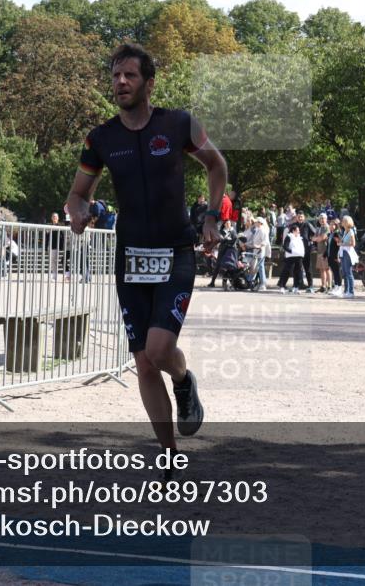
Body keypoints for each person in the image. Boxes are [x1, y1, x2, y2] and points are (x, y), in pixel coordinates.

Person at [67, 42, 225, 455]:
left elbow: (217, 165)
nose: (120, 82)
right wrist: (78, 213)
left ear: (149, 84)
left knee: (158, 350)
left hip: (176, 252)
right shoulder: (100, 138)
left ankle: (184, 379)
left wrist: (211, 216)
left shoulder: (178, 125)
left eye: (130, 75)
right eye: (116, 75)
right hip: (130, 258)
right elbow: (78, 194)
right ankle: (170, 454)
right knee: (142, 362)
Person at [277, 222, 306, 293]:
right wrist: (292, 251)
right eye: (297, 230)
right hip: (290, 257)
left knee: (298, 272)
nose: (299, 231)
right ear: (293, 231)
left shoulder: (299, 238)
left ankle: (296, 287)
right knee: (287, 271)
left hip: (299, 257)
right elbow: (285, 246)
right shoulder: (289, 236)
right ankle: (282, 286)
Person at [339, 215, 358, 298]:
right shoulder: (345, 231)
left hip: (348, 253)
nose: (341, 222)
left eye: (343, 221)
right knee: (345, 272)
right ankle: (346, 291)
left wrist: (342, 243)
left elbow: (353, 244)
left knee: (349, 272)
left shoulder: (351, 231)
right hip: (343, 252)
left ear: (346, 222)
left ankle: (351, 291)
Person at [313, 213, 331, 293]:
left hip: (325, 251)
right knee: (321, 269)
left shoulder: (327, 227)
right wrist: (317, 238)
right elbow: (313, 238)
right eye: (320, 218)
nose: (322, 220)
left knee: (327, 269)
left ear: (326, 219)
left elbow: (322, 238)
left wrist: (316, 238)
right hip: (319, 251)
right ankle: (323, 286)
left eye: (323, 218)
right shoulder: (319, 228)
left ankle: (329, 286)